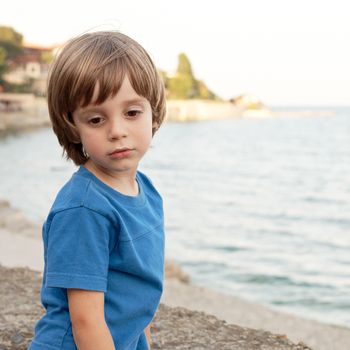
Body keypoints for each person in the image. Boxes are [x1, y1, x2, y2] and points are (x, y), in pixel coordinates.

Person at [29, 31, 166, 350]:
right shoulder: (84, 209)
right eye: (95, 119)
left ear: (153, 112)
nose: (117, 131)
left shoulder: (146, 190)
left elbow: (137, 292)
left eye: (132, 113)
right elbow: (86, 321)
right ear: (73, 127)